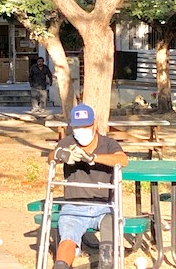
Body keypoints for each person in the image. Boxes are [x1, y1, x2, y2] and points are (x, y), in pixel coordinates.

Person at [48, 103, 128, 269]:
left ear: (94, 124)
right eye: (77, 127)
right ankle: (61, 265)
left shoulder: (108, 143)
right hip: (74, 206)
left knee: (110, 230)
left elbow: (122, 160)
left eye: (85, 126)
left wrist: (92, 158)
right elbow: (51, 157)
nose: (81, 130)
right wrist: (61, 154)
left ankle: (107, 263)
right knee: (67, 239)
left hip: (105, 206)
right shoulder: (68, 142)